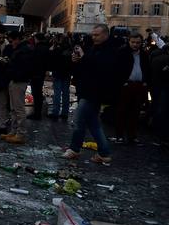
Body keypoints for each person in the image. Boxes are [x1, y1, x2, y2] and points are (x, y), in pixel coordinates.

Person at [62, 24, 128, 165]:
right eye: (93, 35)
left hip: (95, 91)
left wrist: (84, 58)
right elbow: (87, 66)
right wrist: (77, 61)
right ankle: (103, 153)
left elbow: (101, 68)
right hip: (88, 89)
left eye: (96, 35)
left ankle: (75, 149)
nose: (93, 37)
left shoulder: (110, 51)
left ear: (105, 35)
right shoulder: (94, 48)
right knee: (93, 124)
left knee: (79, 120)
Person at [114, 33, 150, 144]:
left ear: (141, 43)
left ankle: (132, 136)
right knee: (122, 111)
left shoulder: (144, 54)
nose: (135, 45)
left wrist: (145, 82)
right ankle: (119, 135)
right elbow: (116, 69)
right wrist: (122, 82)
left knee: (135, 112)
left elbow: (147, 68)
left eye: (138, 42)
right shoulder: (122, 52)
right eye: (133, 42)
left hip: (139, 85)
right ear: (129, 42)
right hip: (126, 85)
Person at [3, 30, 33, 143]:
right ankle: (13, 131)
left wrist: (12, 69)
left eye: (11, 41)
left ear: (17, 39)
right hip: (15, 80)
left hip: (19, 81)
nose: (11, 44)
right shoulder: (20, 49)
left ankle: (20, 134)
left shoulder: (24, 51)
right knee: (13, 108)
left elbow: (22, 68)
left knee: (19, 109)